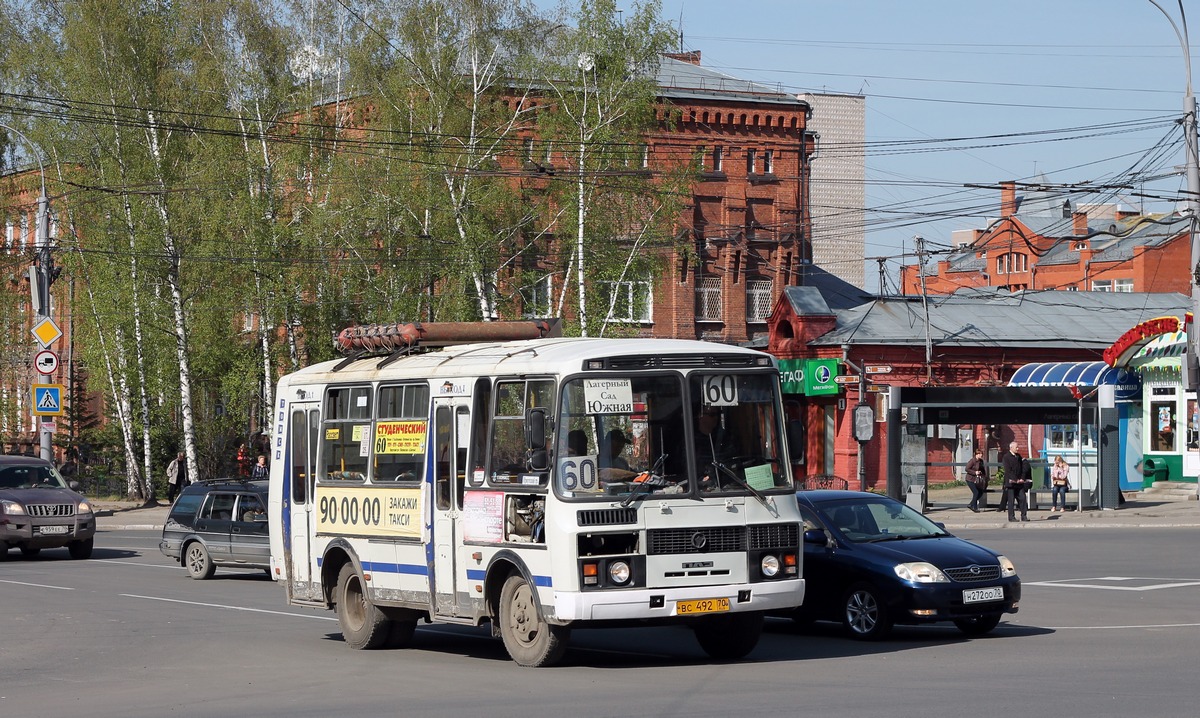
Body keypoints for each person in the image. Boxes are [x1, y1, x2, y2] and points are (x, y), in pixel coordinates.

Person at [999, 441, 1022, 518]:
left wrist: (1021, 478)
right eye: (1016, 447)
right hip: (1011, 482)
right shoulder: (1006, 457)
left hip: (1019, 482)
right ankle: (1011, 517)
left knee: (1022, 498)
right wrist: (1015, 479)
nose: (1017, 449)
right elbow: (1008, 470)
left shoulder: (1018, 456)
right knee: (1011, 500)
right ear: (1011, 448)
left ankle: (1023, 515)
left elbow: (1021, 468)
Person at [964, 448, 988, 513]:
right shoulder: (972, 461)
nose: (981, 455)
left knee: (980, 492)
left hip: (977, 480)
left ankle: (971, 505)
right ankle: (973, 506)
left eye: (981, 454)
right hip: (970, 479)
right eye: (980, 454)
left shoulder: (981, 461)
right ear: (977, 454)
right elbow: (967, 469)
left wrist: (984, 477)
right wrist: (975, 472)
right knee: (976, 492)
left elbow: (982, 469)